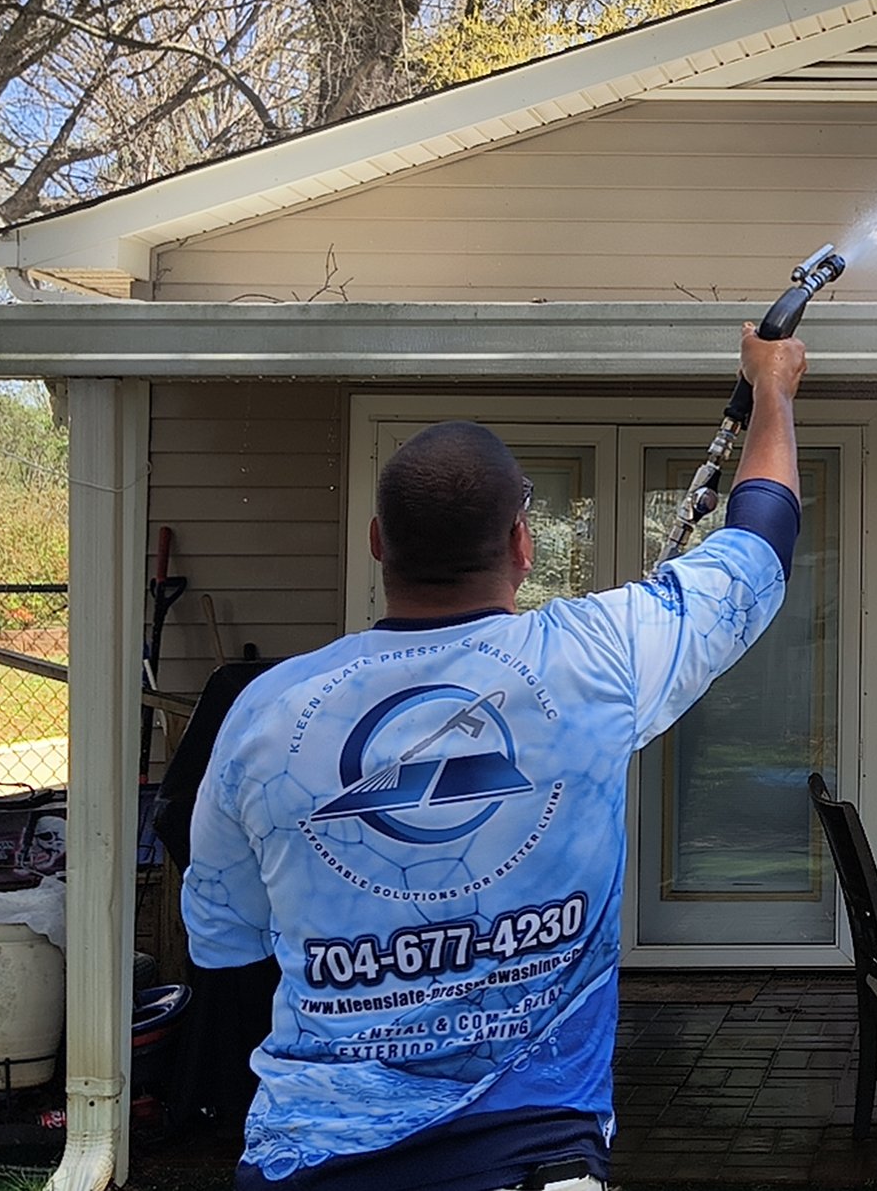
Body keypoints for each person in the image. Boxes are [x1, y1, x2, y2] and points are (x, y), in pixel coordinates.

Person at [183, 326, 808, 1191]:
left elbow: (225, 945)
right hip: (531, 1154)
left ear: (377, 542)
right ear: (523, 544)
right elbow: (760, 544)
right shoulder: (598, 658)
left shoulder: (264, 711)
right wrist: (772, 387)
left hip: (311, 1158)